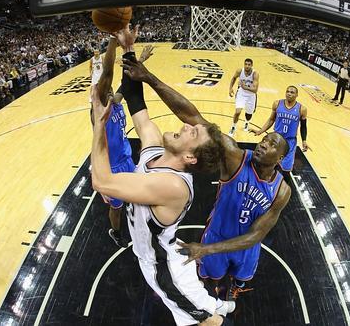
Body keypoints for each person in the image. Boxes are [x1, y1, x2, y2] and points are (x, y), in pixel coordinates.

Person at [91, 25, 233, 325]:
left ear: (190, 156)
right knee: (203, 306)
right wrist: (126, 48)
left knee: (205, 322)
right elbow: (135, 101)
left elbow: (101, 181)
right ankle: (218, 305)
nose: (184, 125)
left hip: (164, 270)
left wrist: (98, 123)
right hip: (165, 254)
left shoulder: (171, 185)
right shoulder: (155, 151)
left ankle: (218, 313)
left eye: (191, 132)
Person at [121, 57, 292, 301]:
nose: (264, 143)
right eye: (264, 139)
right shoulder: (235, 156)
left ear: (282, 157)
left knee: (238, 282)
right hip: (217, 236)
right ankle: (214, 296)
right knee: (208, 282)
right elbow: (192, 116)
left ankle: (232, 289)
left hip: (246, 248)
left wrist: (207, 249)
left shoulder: (282, 191)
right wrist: (149, 78)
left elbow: (257, 235)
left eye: (272, 143)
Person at [91, 36, 154, 247]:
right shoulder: (100, 111)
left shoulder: (115, 101)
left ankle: (141, 224)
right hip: (111, 168)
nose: (109, 90)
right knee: (116, 208)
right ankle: (116, 232)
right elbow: (108, 75)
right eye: (104, 89)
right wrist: (112, 42)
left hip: (126, 160)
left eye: (109, 90)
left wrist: (140, 60)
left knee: (139, 196)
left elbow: (126, 83)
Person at [251, 85, 308, 172]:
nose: (289, 94)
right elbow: (271, 119)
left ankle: (282, 182)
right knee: (269, 163)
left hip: (290, 141)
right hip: (277, 139)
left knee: (286, 168)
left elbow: (303, 126)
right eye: (287, 91)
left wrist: (304, 141)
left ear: (297, 95)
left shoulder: (302, 109)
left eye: (292, 92)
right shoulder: (277, 104)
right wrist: (260, 131)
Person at [228, 58, 259, 136]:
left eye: (249, 65)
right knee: (237, 112)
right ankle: (233, 127)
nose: (247, 66)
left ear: (252, 65)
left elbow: (255, 90)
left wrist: (245, 87)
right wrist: (230, 88)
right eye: (245, 64)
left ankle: (246, 122)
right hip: (241, 93)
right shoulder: (239, 71)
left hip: (251, 95)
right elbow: (234, 78)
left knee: (249, 114)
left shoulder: (255, 74)